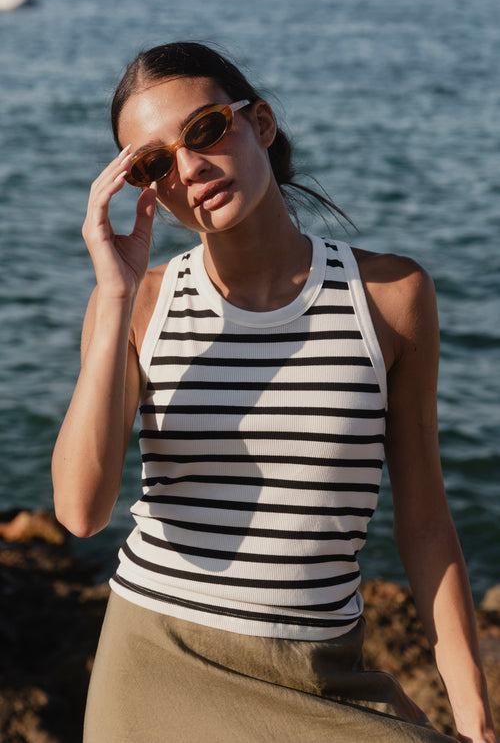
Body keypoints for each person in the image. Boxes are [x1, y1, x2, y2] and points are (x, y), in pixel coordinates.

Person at [51, 41, 498, 743]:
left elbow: (426, 519)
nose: (190, 169)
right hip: (154, 667)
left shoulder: (390, 298)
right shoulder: (141, 305)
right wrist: (113, 293)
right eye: (153, 163)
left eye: (206, 130)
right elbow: (81, 510)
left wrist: (470, 706)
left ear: (260, 123)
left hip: (322, 674)